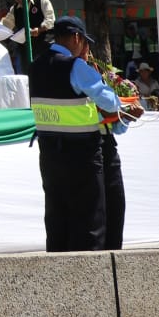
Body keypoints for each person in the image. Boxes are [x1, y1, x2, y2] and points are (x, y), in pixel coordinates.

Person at [29, 14, 141, 252]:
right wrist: (122, 104)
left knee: (58, 219)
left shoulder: (35, 67)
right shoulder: (75, 66)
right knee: (90, 221)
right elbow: (109, 102)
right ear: (77, 38)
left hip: (49, 155)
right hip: (82, 155)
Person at [1, 0, 55, 73]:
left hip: (43, 46)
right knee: (27, 75)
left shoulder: (42, 1)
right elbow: (7, 23)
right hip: (25, 50)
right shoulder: (15, 9)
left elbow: (51, 20)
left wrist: (39, 29)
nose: (17, 0)